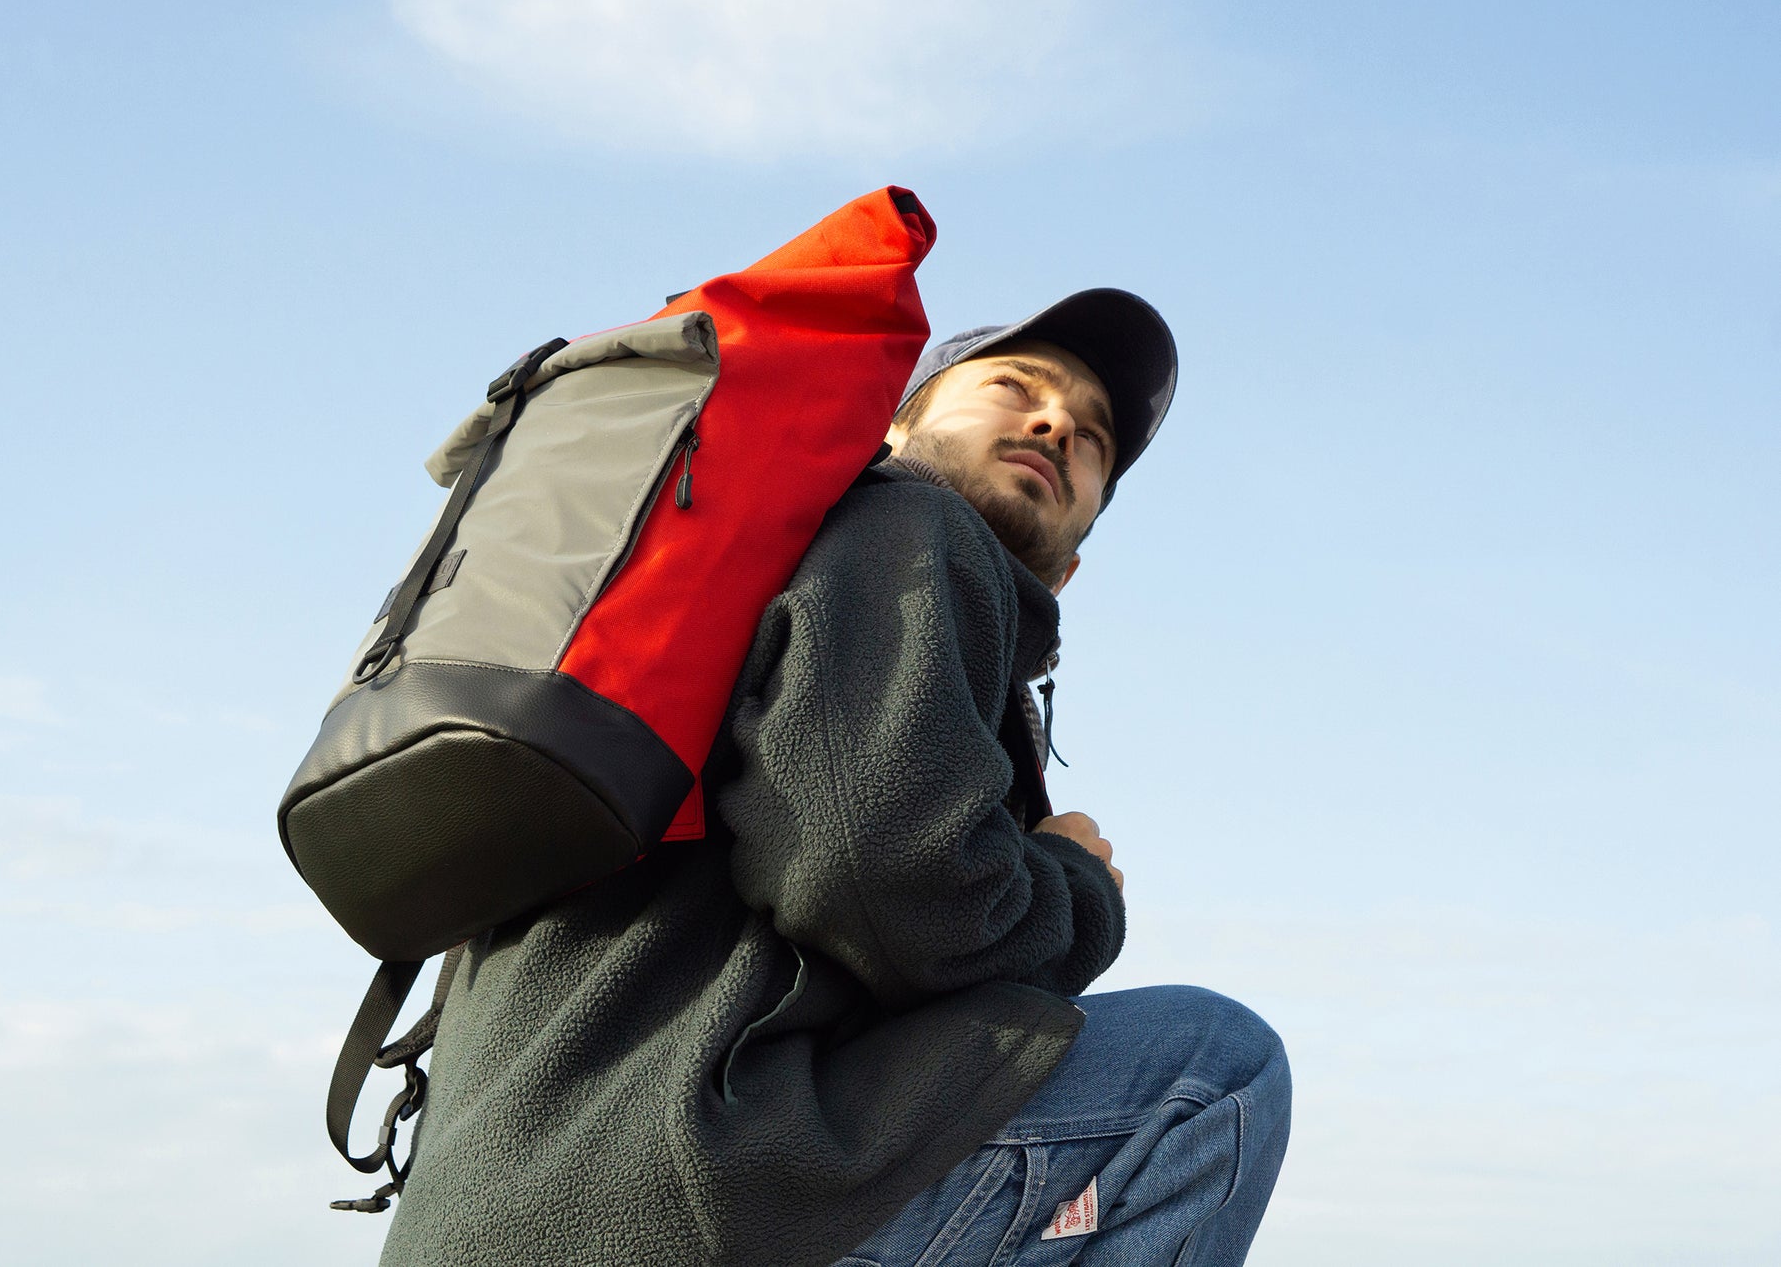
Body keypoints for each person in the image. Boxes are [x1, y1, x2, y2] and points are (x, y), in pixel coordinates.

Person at [376, 289, 1291, 1267]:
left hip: (504, 1209)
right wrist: (1072, 889)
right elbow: (876, 875)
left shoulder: (780, 576)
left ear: (1070, 565)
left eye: (1093, 436)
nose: (1055, 422)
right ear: (896, 428)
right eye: (1014, 386)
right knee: (1211, 1067)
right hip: (681, 1197)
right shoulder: (907, 522)